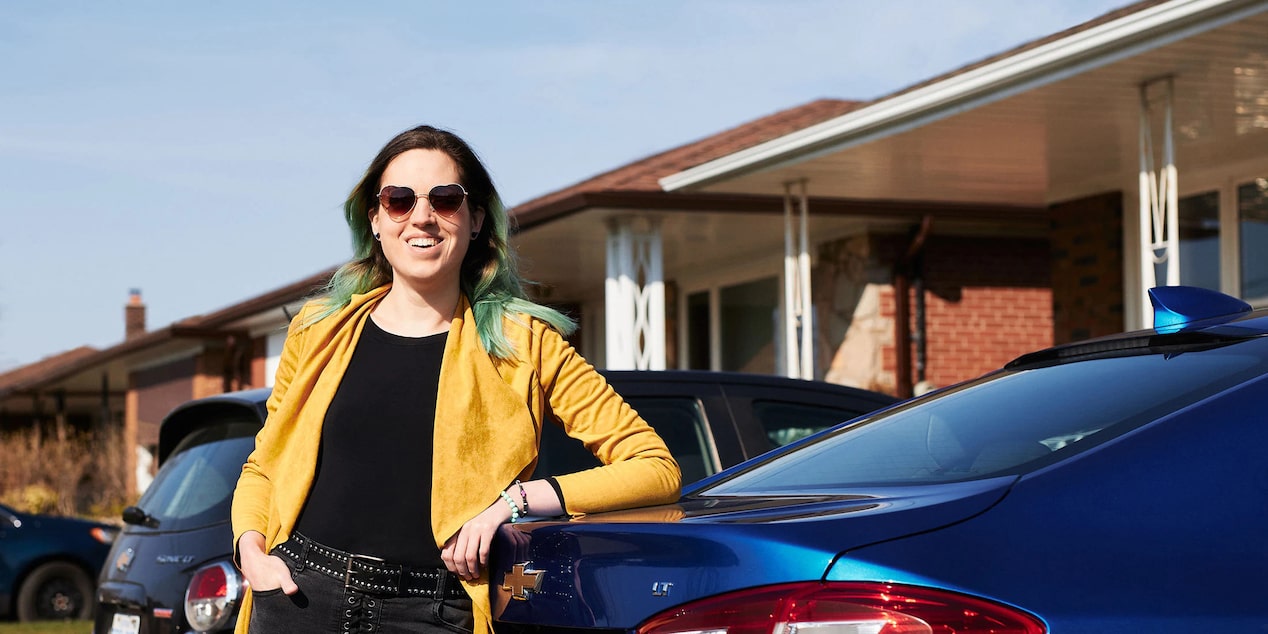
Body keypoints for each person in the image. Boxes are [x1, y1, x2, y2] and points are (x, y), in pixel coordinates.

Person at [230, 125, 681, 634]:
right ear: (375, 220)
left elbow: (655, 466)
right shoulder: (317, 331)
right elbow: (263, 467)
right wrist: (252, 552)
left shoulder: (525, 343)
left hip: (433, 612)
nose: (421, 216)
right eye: (399, 200)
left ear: (475, 221)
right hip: (298, 599)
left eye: (444, 199)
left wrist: (515, 503)